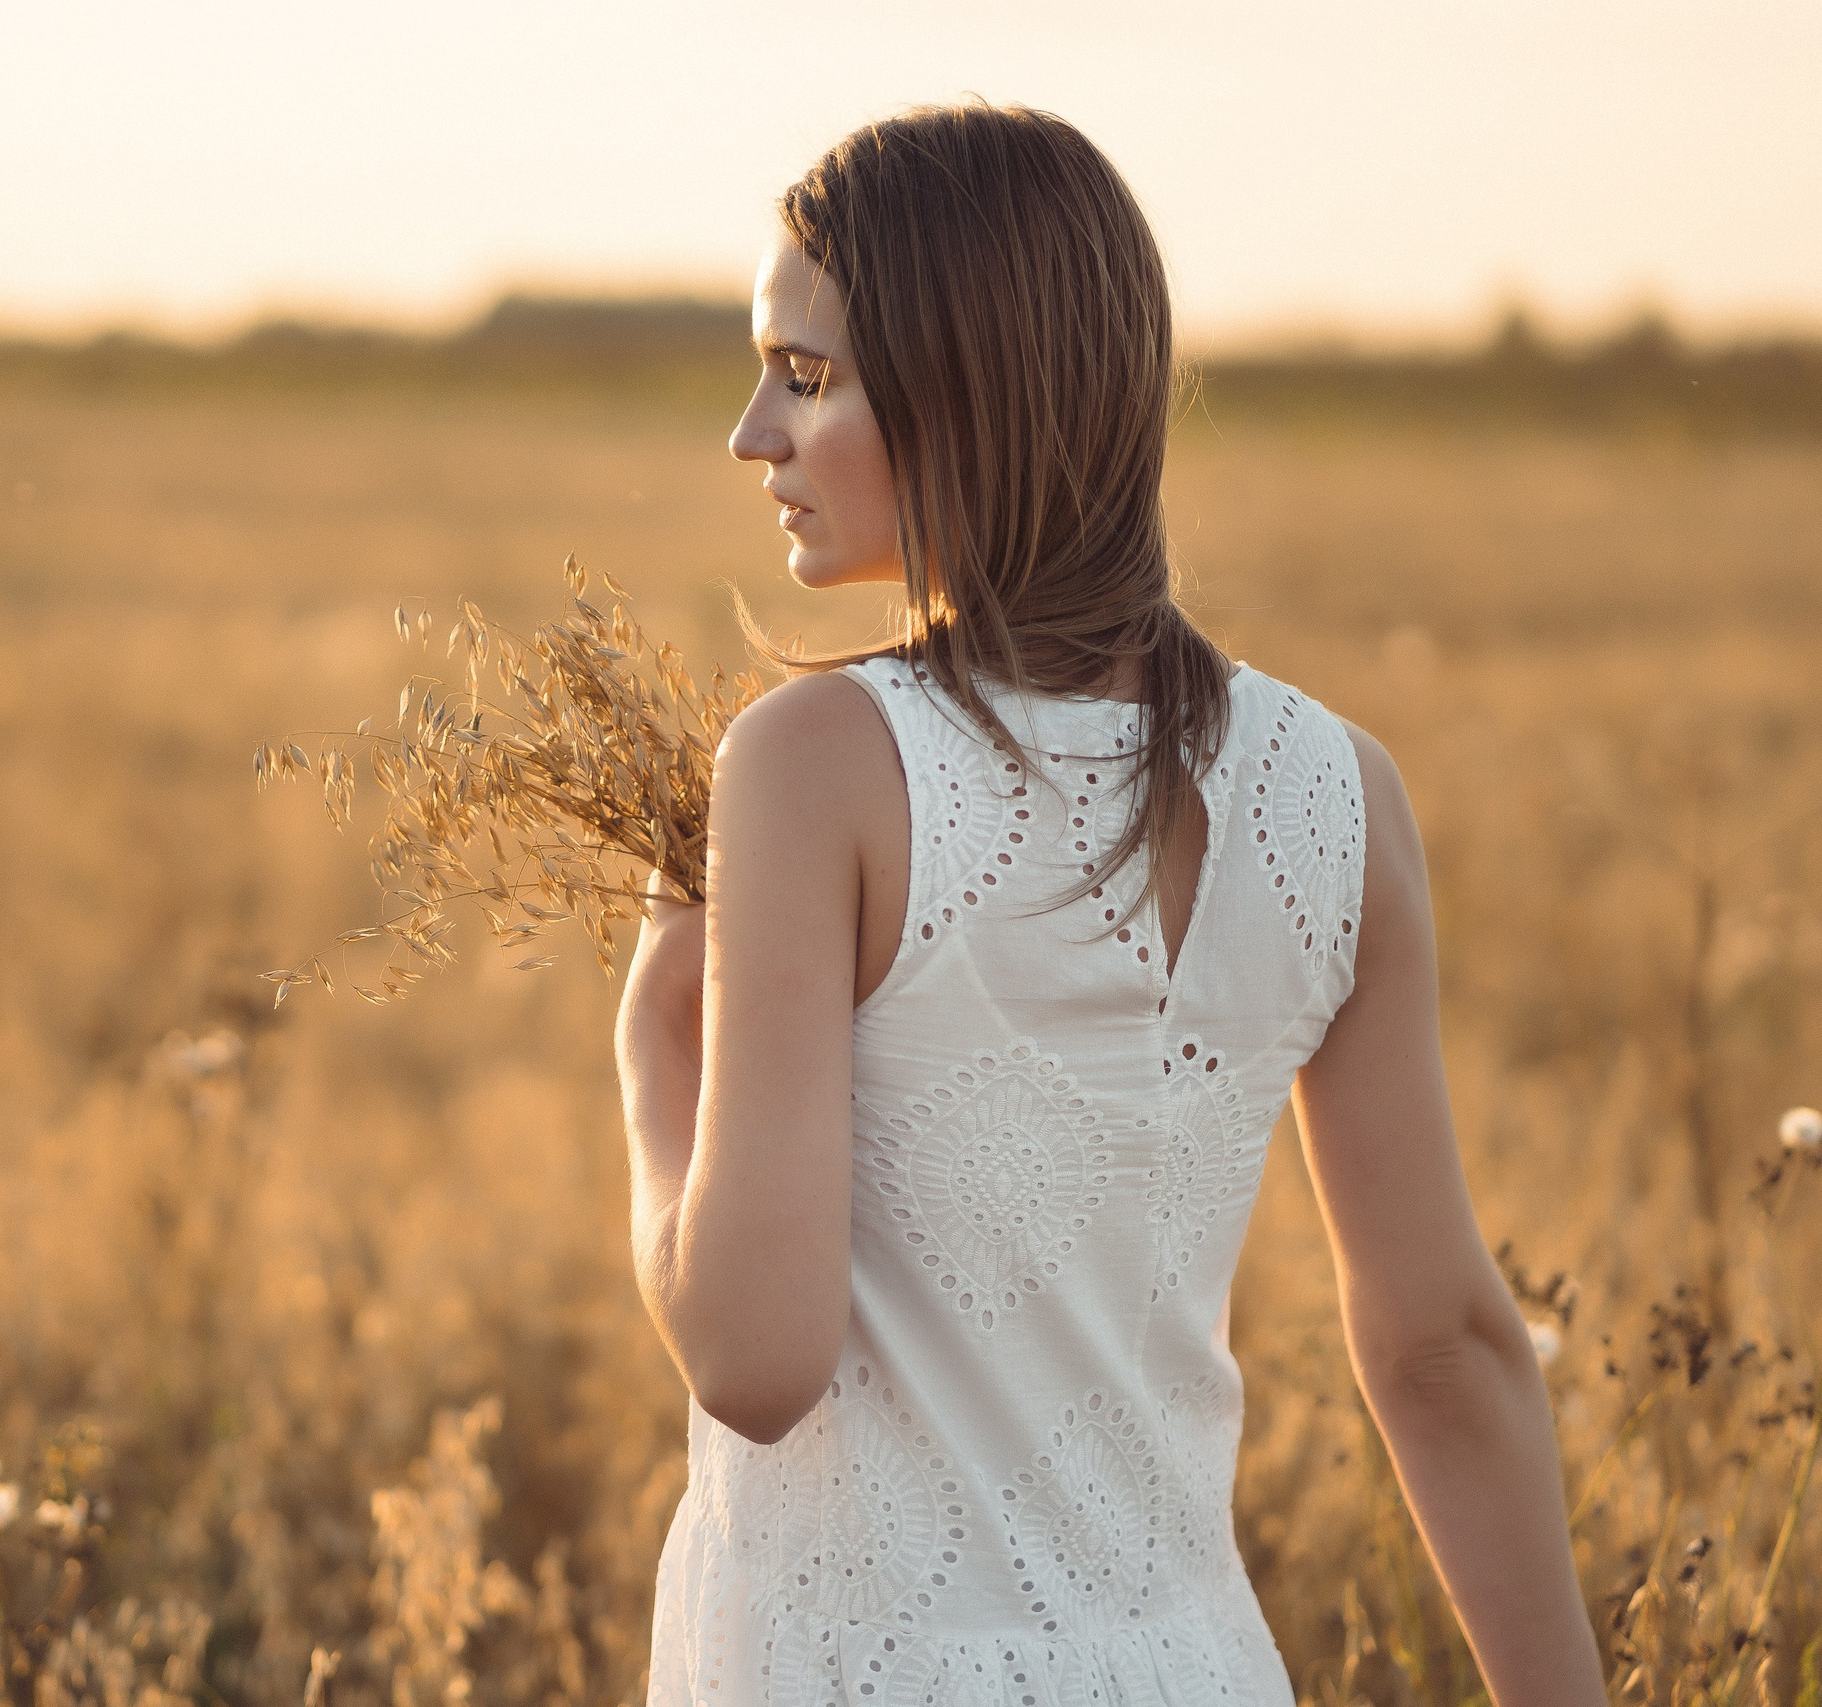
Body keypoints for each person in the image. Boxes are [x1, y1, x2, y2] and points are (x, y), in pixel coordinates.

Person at [615, 102, 1606, 1707]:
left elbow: (753, 1359)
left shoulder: (813, 763)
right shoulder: (1341, 792)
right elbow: (1443, 1352)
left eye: (806, 378)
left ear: (965, 390)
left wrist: (656, 1048)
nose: (753, 435)